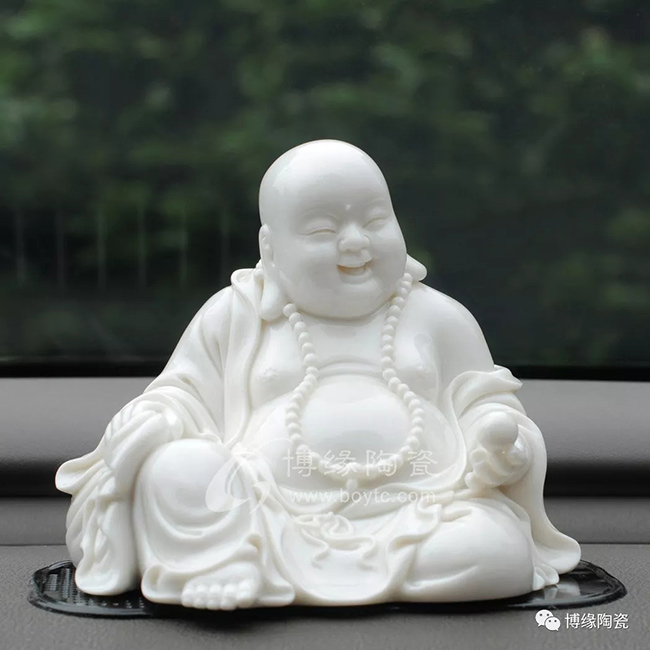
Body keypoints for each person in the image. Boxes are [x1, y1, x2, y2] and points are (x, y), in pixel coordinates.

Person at [56, 140, 580, 610]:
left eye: (375, 221)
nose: (355, 243)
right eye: (323, 231)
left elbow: (487, 404)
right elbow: (182, 395)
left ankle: (254, 569)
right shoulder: (236, 314)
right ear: (270, 249)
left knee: (494, 550)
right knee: (177, 467)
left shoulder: (438, 317)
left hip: (423, 505)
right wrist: (152, 421)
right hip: (262, 510)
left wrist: (500, 447)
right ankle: (225, 559)